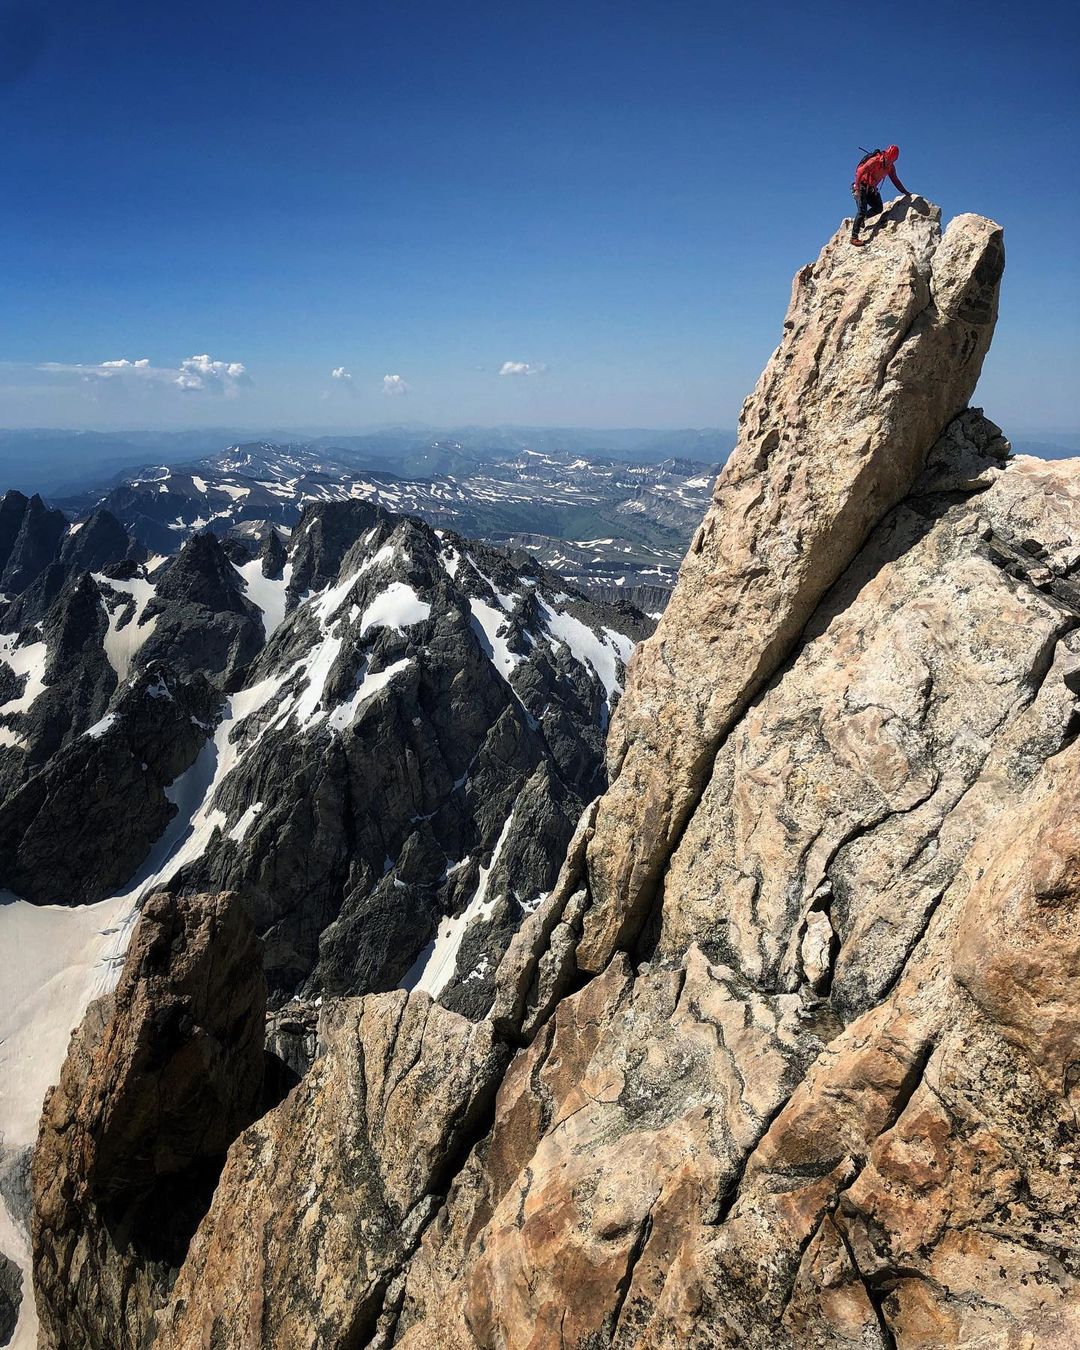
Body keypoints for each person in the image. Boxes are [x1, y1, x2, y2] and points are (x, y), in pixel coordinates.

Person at [850, 145, 909, 245]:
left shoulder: (890, 167)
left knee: (878, 208)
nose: (888, 162)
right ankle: (853, 237)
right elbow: (860, 171)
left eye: (891, 161)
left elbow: (895, 180)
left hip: (871, 188)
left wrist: (904, 192)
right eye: (888, 159)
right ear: (885, 154)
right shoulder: (875, 160)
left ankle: (863, 219)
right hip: (861, 186)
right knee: (862, 210)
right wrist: (856, 189)